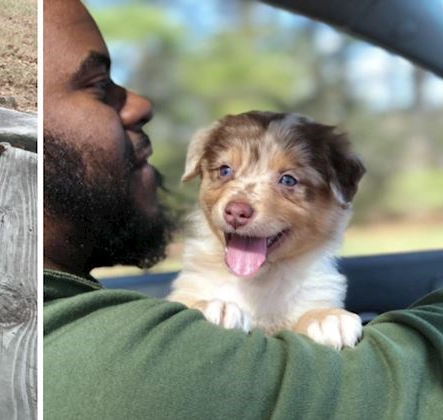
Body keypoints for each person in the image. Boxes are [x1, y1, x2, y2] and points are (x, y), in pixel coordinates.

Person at [43, 1, 443, 418]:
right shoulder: (122, 359)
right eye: (224, 170)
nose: (240, 203)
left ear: (340, 191)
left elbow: (317, 328)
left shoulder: (312, 285)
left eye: (288, 180)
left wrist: (317, 318)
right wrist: (197, 311)